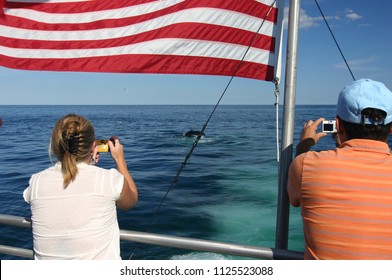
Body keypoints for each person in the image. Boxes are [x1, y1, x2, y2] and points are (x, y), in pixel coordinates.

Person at [288, 79, 392, 260]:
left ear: (338, 124)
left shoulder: (305, 165)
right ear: (391, 129)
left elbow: (293, 199)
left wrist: (303, 146)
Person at [23, 114, 138, 260]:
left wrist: (87, 163)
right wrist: (120, 160)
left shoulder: (36, 182)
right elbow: (131, 200)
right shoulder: (108, 179)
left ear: (55, 145)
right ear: (93, 146)